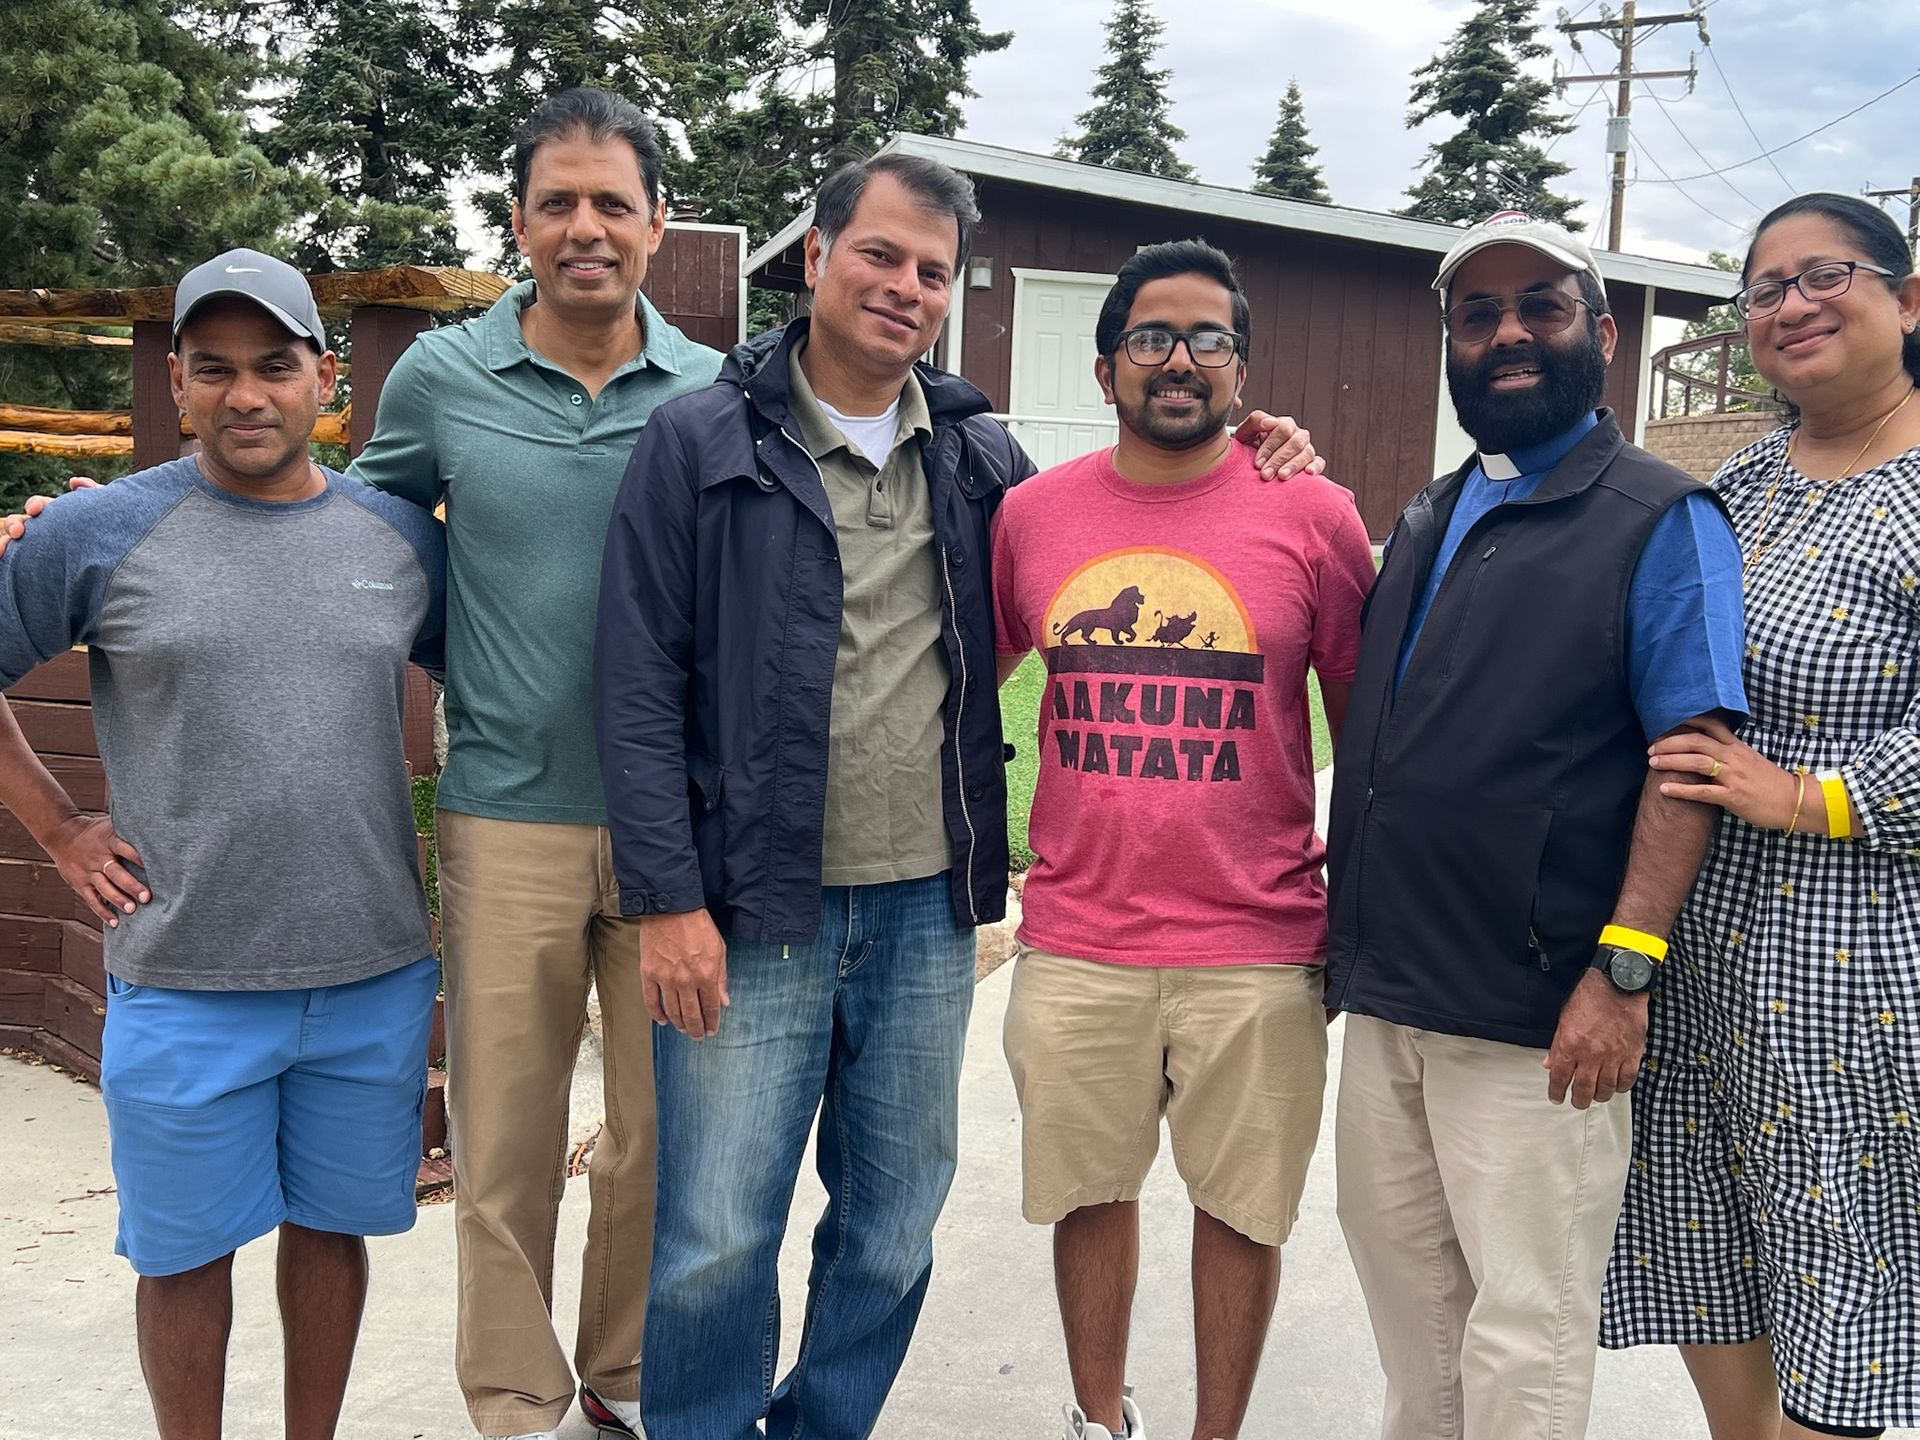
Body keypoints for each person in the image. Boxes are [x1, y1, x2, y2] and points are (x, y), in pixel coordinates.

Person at [595, 156, 1320, 1438]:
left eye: (933, 271)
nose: (906, 288)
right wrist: (666, 900)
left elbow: (1121, 524)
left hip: (927, 914)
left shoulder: (983, 459)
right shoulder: (698, 441)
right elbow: (637, 677)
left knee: (891, 1223)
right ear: (815, 256)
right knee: (716, 1233)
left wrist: (1258, 442)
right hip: (750, 908)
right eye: (880, 255)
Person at [0, 250, 444, 1439]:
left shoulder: (401, 539)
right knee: (184, 1254)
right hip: (184, 975)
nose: (246, 395)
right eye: (215, 369)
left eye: (274, 366)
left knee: (332, 1234)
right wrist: (59, 829)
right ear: (179, 385)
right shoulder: (96, 531)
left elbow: (514, 677)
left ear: (324, 380)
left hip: (370, 972)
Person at [333, 88, 722, 1440]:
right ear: (518, 222)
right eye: (558, 202)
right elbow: (359, 541)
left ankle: (624, 1377)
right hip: (506, 818)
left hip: (677, 833)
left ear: (659, 223)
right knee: (502, 1145)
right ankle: (514, 1402)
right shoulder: (442, 378)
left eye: (613, 201)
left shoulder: (715, 390)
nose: (585, 227)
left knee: (660, 1137)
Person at [1322, 211, 1750, 1440]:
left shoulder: (1660, 518)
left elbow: (1690, 763)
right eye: (1479, 314)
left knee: (1525, 1330)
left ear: (1602, 336)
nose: (1507, 332)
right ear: (1452, 346)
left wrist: (1625, 971)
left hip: (1539, 1013)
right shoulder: (1431, 512)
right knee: (1413, 1318)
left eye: (1540, 307)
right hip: (1392, 994)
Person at [991, 239, 1376, 1440]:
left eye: (1209, 339)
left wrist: (1362, 917)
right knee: (1087, 1194)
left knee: (1244, 1211)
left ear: (1241, 369)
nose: (1179, 360)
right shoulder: (1030, 516)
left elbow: (1369, 738)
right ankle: (1098, 1419)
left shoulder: (1314, 515)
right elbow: (963, 678)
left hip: (1258, 939)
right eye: (1152, 337)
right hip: (1078, 936)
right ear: (1107, 366)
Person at [1601, 193, 1920, 1440]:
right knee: (1705, 1233)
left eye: (1824, 274)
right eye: (1766, 288)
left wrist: (1810, 795)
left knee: (1839, 1256)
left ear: (1907, 298)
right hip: (1707, 945)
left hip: (1855, 968)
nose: (1792, 305)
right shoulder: (1744, 483)